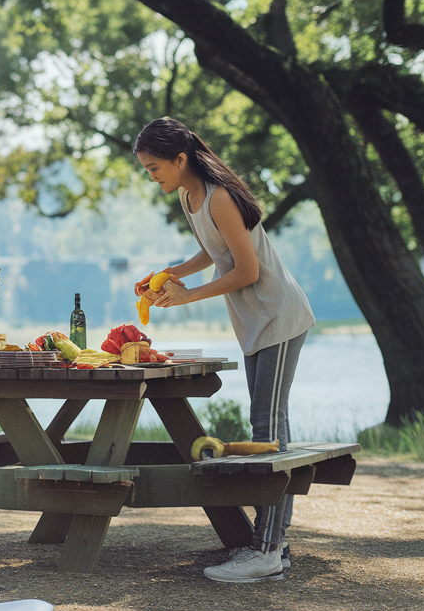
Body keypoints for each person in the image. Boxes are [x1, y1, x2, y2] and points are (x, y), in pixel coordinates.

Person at [134, 116, 315, 583]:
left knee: (268, 430)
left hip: (277, 315)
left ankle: (268, 550)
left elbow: (248, 270)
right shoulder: (189, 195)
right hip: (255, 321)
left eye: (155, 168)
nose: (152, 176)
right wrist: (171, 272)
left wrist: (189, 295)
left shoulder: (221, 197)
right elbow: (215, 254)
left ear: (180, 159)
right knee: (270, 428)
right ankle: (274, 543)